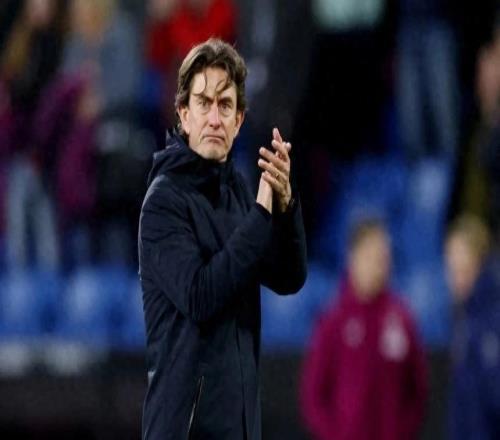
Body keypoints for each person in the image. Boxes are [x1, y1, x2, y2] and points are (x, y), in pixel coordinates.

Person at [137, 38, 307, 440]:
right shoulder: (163, 202)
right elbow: (200, 296)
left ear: (239, 120)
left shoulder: (238, 192)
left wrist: (285, 206)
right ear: (184, 114)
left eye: (226, 105)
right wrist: (261, 214)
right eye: (204, 103)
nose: (215, 118)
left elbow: (288, 277)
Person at [300, 219, 427, 440]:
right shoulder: (334, 320)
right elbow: (313, 396)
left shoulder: (402, 319)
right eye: (371, 256)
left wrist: (401, 432)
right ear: (353, 258)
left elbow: (417, 391)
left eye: (383, 258)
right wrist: (336, 435)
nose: (379, 266)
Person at [445, 214, 500, 439]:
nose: (455, 279)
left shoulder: (492, 316)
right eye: (451, 268)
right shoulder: (464, 315)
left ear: (479, 262)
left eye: (462, 268)